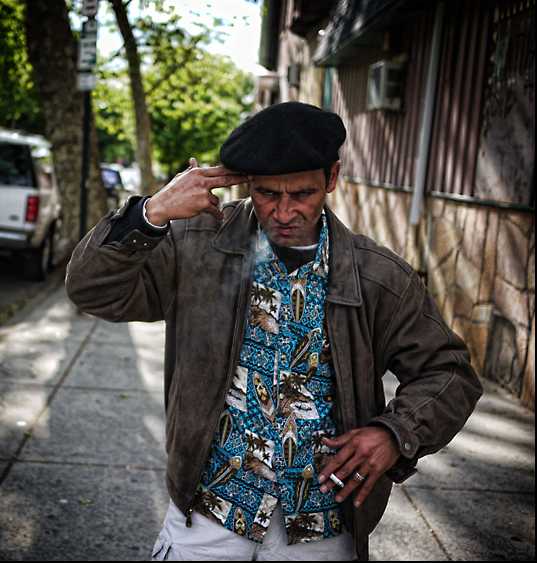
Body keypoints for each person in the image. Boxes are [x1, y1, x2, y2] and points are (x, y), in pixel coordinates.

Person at [65, 102, 482, 561]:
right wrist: (153, 211)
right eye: (267, 193)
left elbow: (449, 371)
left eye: (302, 193)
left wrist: (394, 433)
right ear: (247, 183)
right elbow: (92, 290)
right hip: (208, 511)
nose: (284, 211)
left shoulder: (378, 276)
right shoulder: (195, 245)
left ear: (332, 178)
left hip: (323, 525)